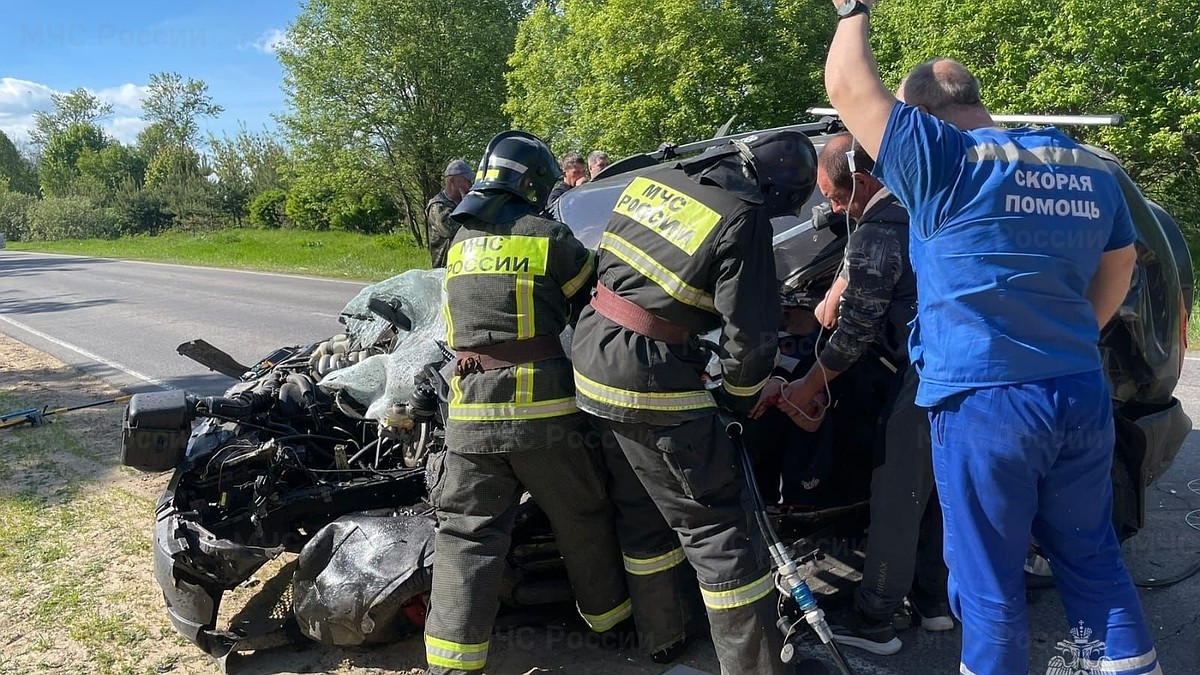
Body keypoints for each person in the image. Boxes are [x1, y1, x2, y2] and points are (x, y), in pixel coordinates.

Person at [822, 2, 1156, 674]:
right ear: (976, 99)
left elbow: (850, 88)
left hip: (986, 405)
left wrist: (852, 11)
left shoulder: (941, 160)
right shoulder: (1084, 163)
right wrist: (1070, 335)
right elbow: (1121, 264)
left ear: (919, 113)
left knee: (989, 584)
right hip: (1077, 391)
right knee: (1092, 557)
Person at [571, 130, 819, 675]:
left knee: (647, 511)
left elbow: (648, 280)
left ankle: (664, 637)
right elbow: (750, 339)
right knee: (716, 525)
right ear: (774, 190)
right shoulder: (742, 214)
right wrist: (737, 398)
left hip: (593, 357)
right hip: (647, 378)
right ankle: (756, 668)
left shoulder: (657, 178)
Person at [423, 130, 632, 674]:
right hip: (544, 418)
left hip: (468, 413)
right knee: (582, 516)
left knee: (467, 534)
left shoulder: (459, 241)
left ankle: (450, 664)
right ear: (536, 184)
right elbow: (593, 301)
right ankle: (610, 625)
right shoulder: (549, 236)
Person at [772, 133, 950, 656]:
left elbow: (853, 331)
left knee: (898, 494)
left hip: (921, 375)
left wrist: (807, 384)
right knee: (935, 491)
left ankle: (875, 620)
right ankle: (934, 601)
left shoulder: (876, 232)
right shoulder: (929, 210)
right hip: (961, 371)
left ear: (865, 183)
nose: (831, 207)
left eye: (833, 197)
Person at [425, 159, 475, 268]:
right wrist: (466, 207)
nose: (471, 186)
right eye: (467, 181)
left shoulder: (463, 202)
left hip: (464, 266)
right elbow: (449, 230)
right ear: (452, 181)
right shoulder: (437, 205)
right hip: (444, 269)